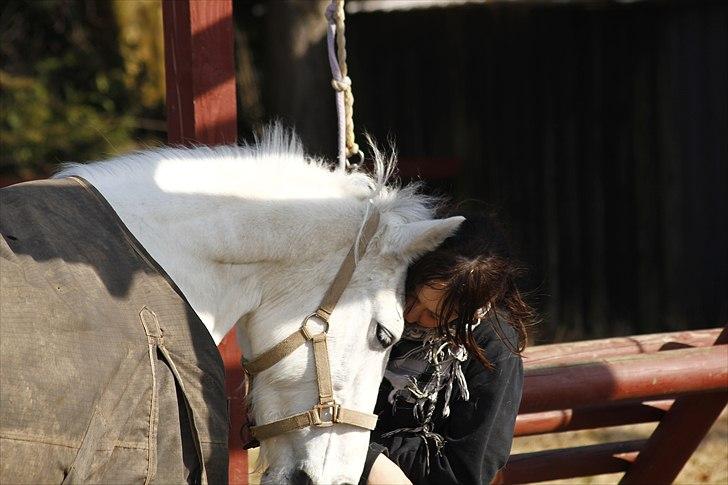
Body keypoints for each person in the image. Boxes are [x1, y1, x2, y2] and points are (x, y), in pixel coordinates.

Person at [360, 210, 535, 485]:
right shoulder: (369, 309)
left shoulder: (492, 347)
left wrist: (369, 457)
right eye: (412, 294)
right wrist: (369, 461)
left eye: (436, 316)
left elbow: (465, 470)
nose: (410, 316)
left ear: (468, 313)